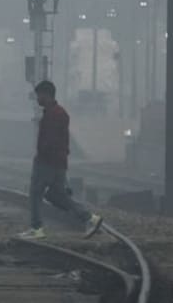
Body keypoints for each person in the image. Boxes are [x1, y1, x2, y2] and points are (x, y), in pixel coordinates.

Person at [19, 80, 103, 240]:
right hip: (59, 163)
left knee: (35, 193)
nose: (37, 99)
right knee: (58, 197)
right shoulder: (60, 113)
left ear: (46, 94)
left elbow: (49, 141)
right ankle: (91, 218)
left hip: (46, 163)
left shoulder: (53, 115)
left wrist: (40, 155)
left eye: (39, 96)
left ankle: (36, 229)